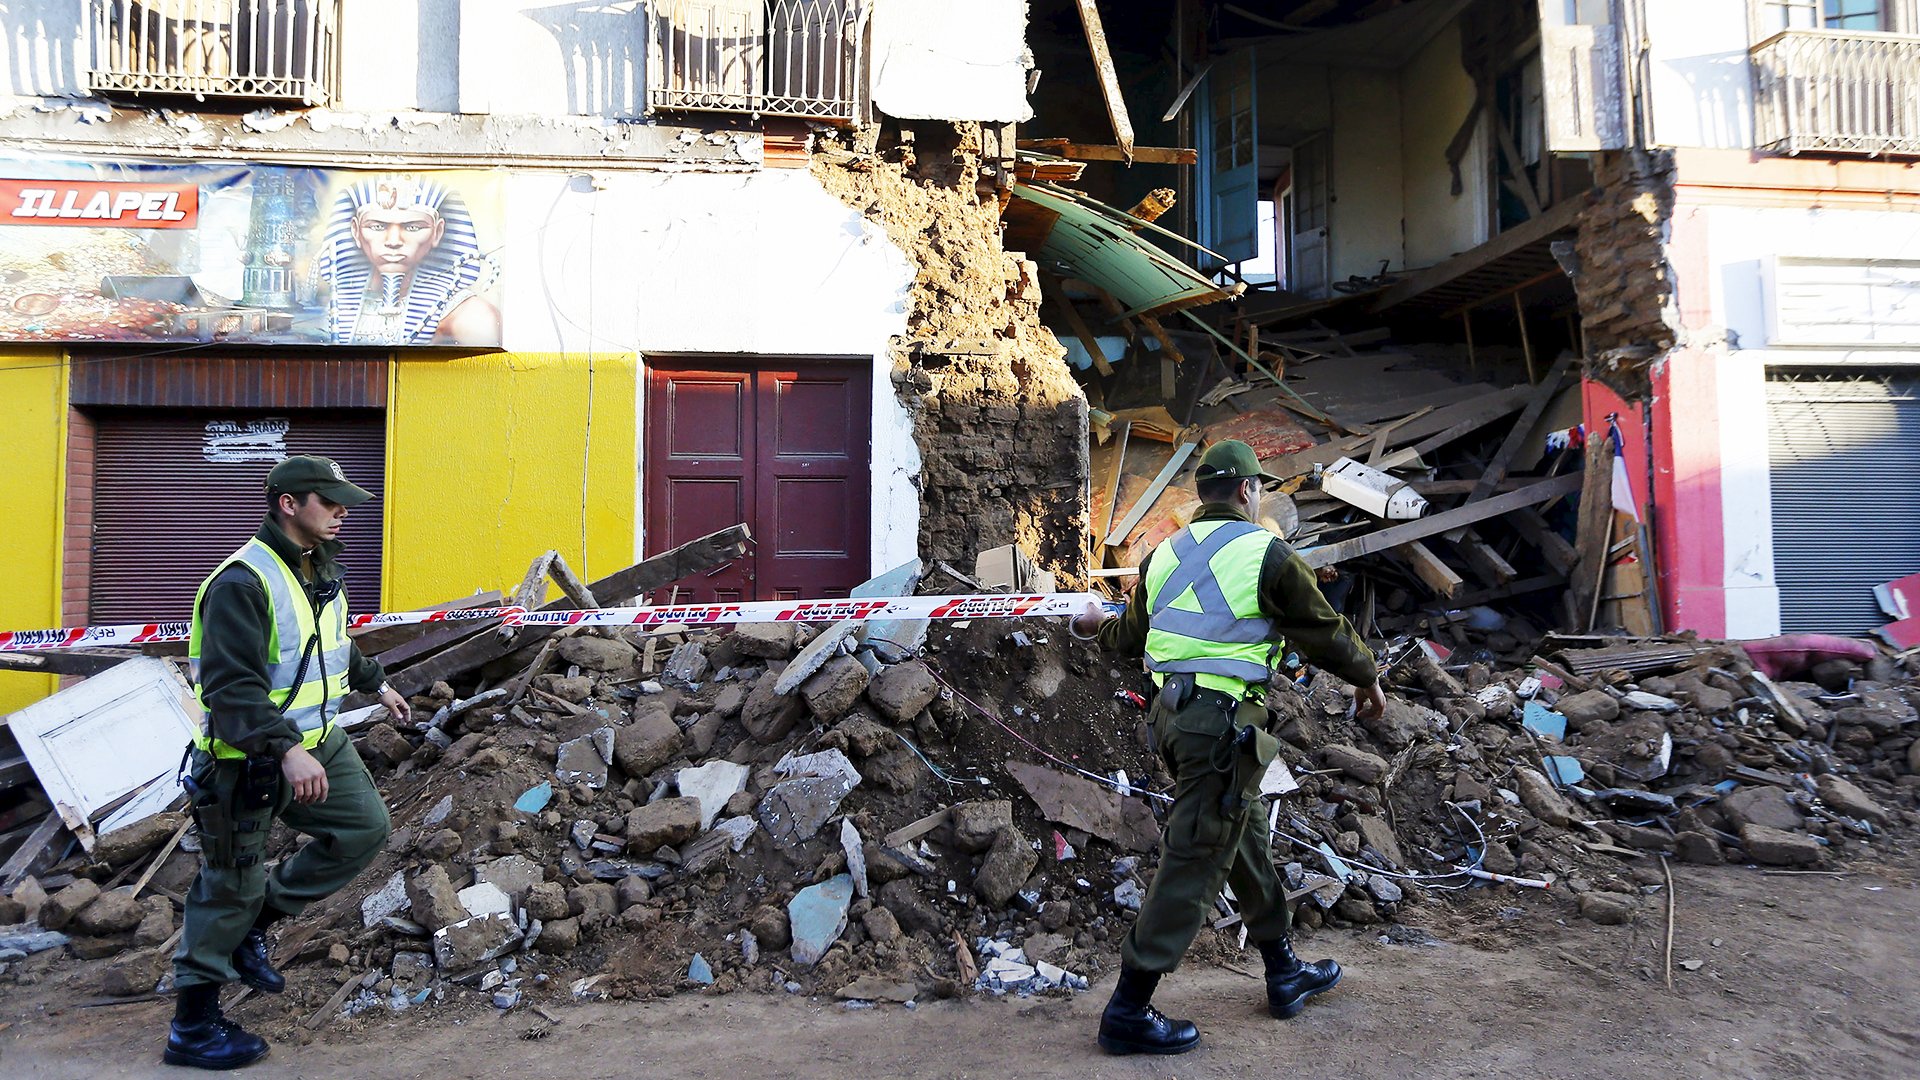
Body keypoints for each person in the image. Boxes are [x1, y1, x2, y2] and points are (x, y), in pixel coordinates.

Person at [1071, 439, 1387, 1056]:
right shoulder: (1267, 553)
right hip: (1220, 724)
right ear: (1247, 491)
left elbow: (1131, 635)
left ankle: (1282, 967)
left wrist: (1092, 624)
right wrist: (1368, 677)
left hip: (1172, 719)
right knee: (1195, 855)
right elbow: (1324, 631)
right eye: (1259, 488)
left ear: (1203, 493)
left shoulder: (1161, 554)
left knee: (1241, 838)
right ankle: (1128, 1009)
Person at [166, 455, 410, 1070]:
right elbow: (231, 689)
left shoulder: (319, 567)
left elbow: (333, 642)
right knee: (228, 887)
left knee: (364, 829)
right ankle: (192, 1028)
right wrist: (286, 749)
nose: (341, 512)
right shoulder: (241, 582)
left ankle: (260, 921)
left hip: (319, 740)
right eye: (328, 502)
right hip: (245, 760)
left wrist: (375, 684)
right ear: (288, 504)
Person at [317, 175, 500, 346]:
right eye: (377, 226)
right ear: (356, 231)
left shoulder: (470, 314)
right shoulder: (333, 308)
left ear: (437, 232)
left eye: (413, 227)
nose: (394, 241)